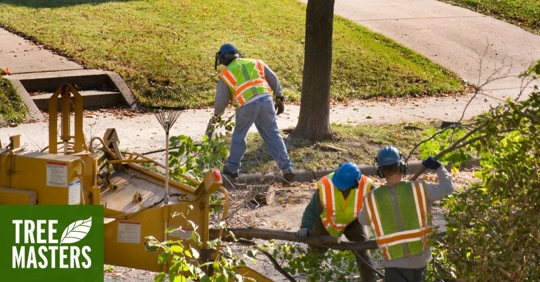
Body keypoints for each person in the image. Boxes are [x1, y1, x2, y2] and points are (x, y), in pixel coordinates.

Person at [358, 146, 455, 282]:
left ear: (380, 171)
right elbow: (447, 188)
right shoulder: (419, 189)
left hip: (394, 262)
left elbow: (362, 220)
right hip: (420, 259)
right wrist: (439, 167)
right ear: (403, 166)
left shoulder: (372, 198)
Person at [211, 43, 294, 184]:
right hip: (266, 100)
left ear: (223, 59)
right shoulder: (256, 62)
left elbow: (221, 101)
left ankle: (232, 169)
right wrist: (279, 96)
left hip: (246, 105)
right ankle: (287, 169)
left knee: (239, 135)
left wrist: (217, 115)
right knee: (273, 134)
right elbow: (273, 79)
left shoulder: (226, 74)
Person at [295, 162, 378, 282]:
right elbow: (312, 209)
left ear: (355, 184)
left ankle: (370, 279)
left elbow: (380, 208)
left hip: (353, 221)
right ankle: (313, 274)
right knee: (316, 248)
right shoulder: (326, 184)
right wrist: (305, 227)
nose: (338, 187)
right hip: (327, 221)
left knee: (362, 248)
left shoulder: (367, 186)